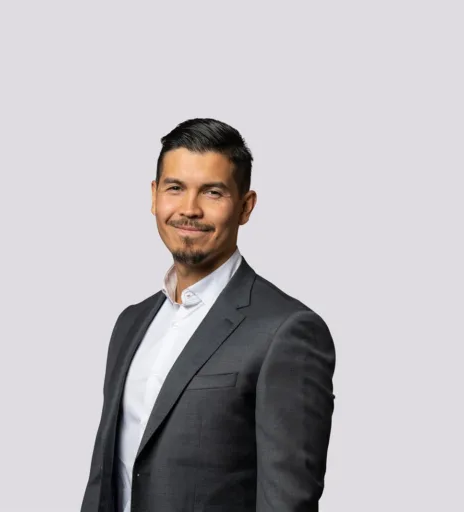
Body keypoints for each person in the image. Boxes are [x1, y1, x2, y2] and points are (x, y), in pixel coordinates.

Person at [80, 118, 336, 512]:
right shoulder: (130, 323)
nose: (189, 209)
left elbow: (287, 503)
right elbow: (106, 479)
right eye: (175, 188)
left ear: (245, 207)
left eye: (212, 192)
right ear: (154, 196)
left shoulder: (287, 331)